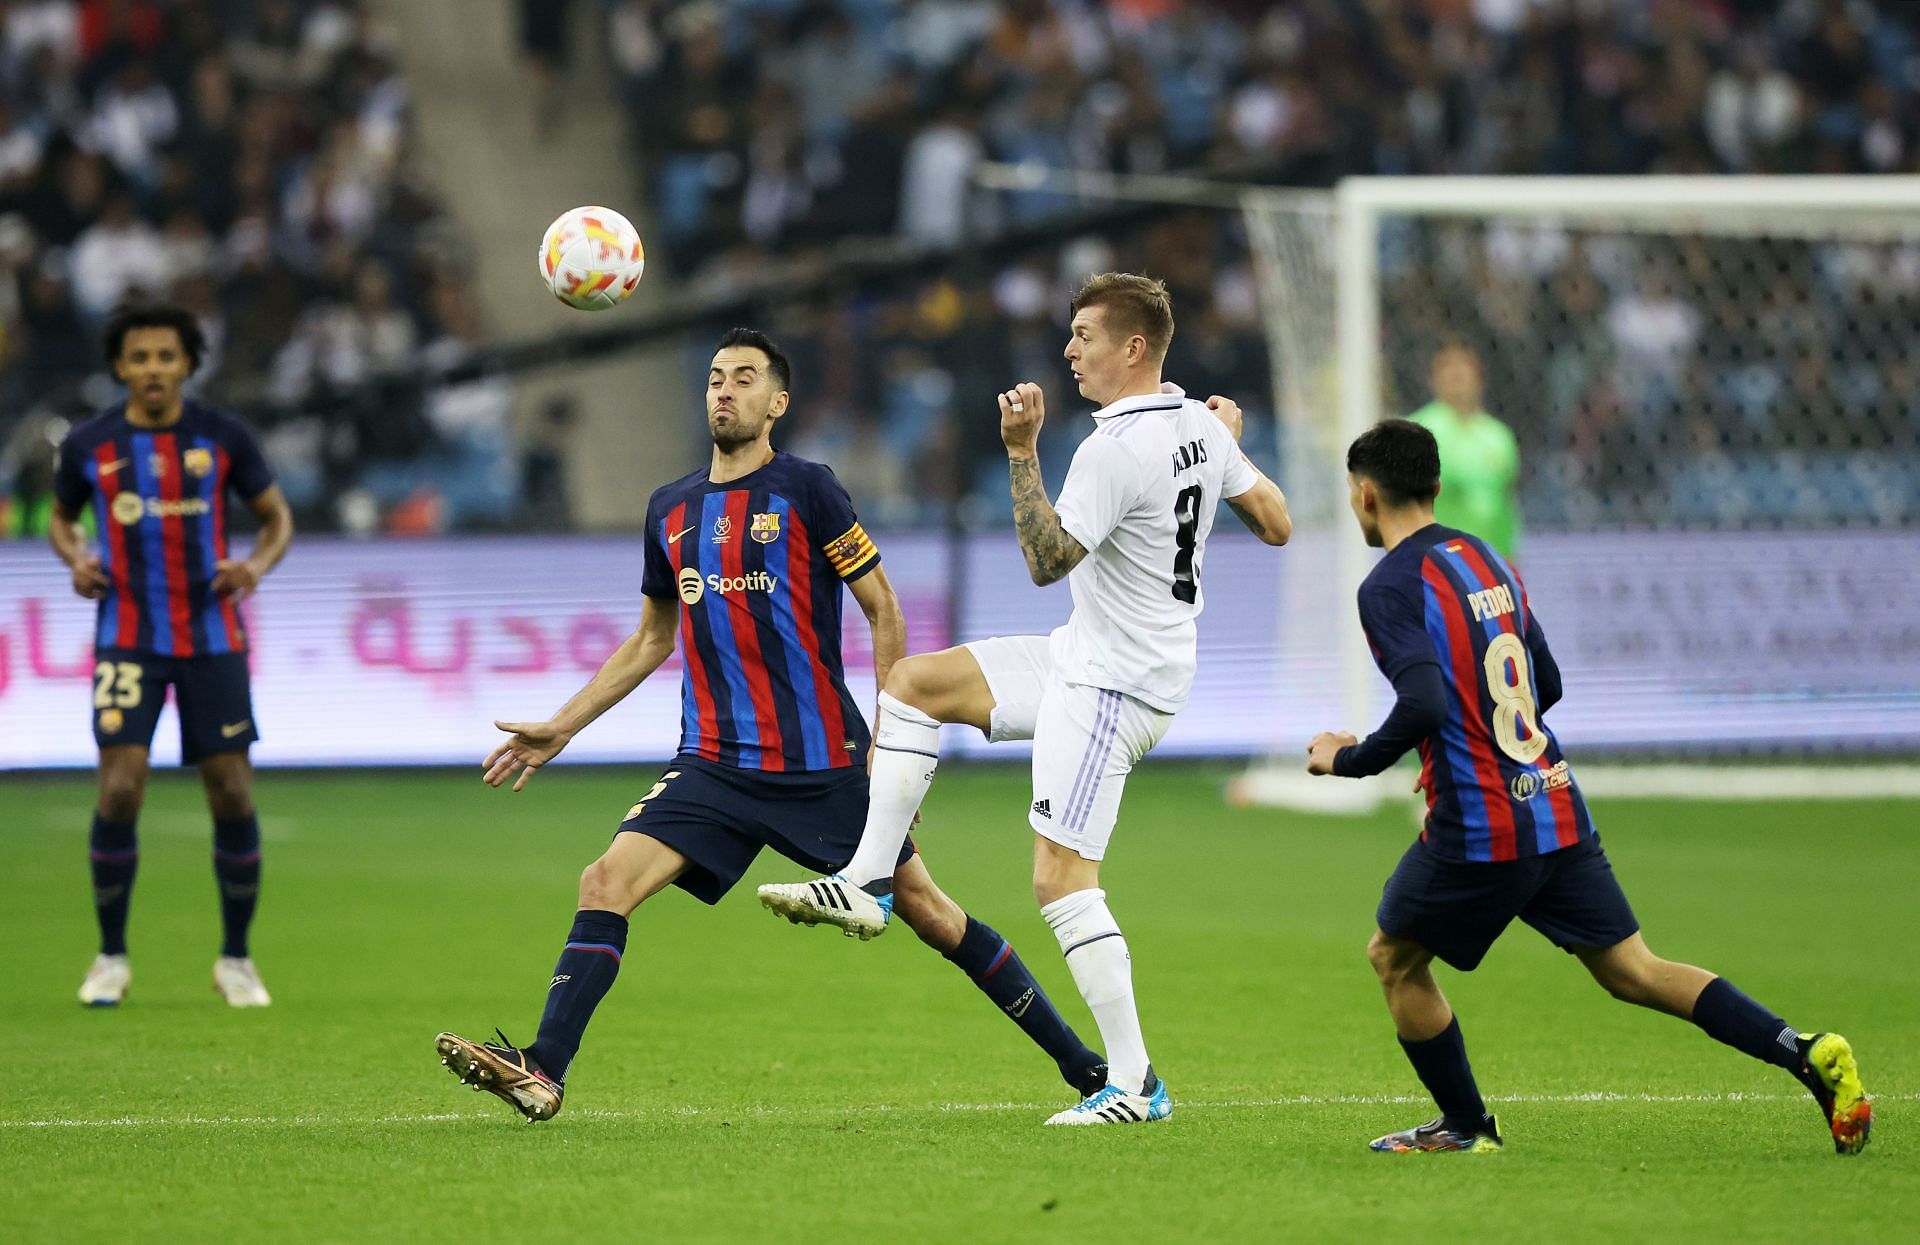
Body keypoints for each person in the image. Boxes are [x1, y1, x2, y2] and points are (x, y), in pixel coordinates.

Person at [434, 328, 1107, 1122]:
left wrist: (896, 749)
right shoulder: (671, 508)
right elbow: (654, 636)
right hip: (713, 763)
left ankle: (1089, 1068)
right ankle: (542, 1067)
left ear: (776, 402)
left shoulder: (808, 489)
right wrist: (562, 726)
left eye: (744, 378)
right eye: (716, 377)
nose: (724, 390)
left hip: (821, 763)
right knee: (604, 880)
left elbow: (882, 605)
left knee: (930, 912)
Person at [758, 274, 1293, 1126]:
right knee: (913, 685)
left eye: (1085, 335)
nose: (1070, 349)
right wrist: (1230, 445)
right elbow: (1276, 522)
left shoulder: (1114, 449)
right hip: (1084, 656)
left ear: (1134, 349)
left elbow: (1048, 560)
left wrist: (1019, 450)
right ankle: (867, 879)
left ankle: (1134, 1084)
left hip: (1117, 685)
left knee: (1059, 878)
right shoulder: (1197, 421)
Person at [1304, 419, 1870, 1155]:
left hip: (1483, 824)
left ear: (1366, 493)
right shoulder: (1486, 558)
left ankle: (1468, 1127)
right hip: (1552, 799)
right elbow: (1549, 682)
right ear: (1437, 486)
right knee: (1635, 969)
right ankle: (1803, 1049)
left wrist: (1346, 759)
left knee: (1395, 955)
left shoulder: (1388, 586)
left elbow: (1422, 704)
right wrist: (1474, 746)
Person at [49, 303, 295, 1008]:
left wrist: (254, 565)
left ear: (187, 363)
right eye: (140, 357)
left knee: (233, 792)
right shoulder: (89, 444)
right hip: (126, 635)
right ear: (120, 366)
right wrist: (76, 558)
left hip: (212, 638)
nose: (153, 369)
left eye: (166, 356)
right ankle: (110, 955)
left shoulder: (223, 436)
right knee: (121, 787)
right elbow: (63, 520)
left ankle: (237, 958)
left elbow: (277, 517)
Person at [1407, 345, 1521, 561]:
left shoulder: (1499, 437)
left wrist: (1510, 561)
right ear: (1434, 378)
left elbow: (1507, 506)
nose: (1457, 374)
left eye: (1464, 366)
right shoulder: (1416, 432)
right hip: (1434, 560)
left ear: (1480, 378)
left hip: (1487, 561)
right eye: (1448, 366)